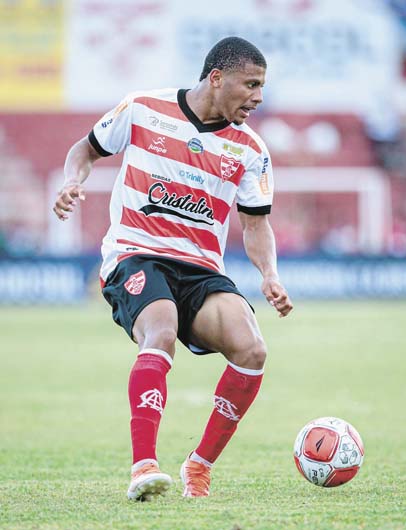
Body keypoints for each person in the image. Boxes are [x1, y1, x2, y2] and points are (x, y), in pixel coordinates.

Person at [53, 36, 293, 501]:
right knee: (160, 330)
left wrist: (269, 274)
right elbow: (84, 150)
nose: (259, 97)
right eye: (251, 84)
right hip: (136, 253)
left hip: (201, 270)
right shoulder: (143, 108)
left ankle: (199, 466)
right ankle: (143, 465)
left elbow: (255, 223)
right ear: (216, 78)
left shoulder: (250, 149)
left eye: (262, 86)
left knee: (252, 349)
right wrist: (70, 182)